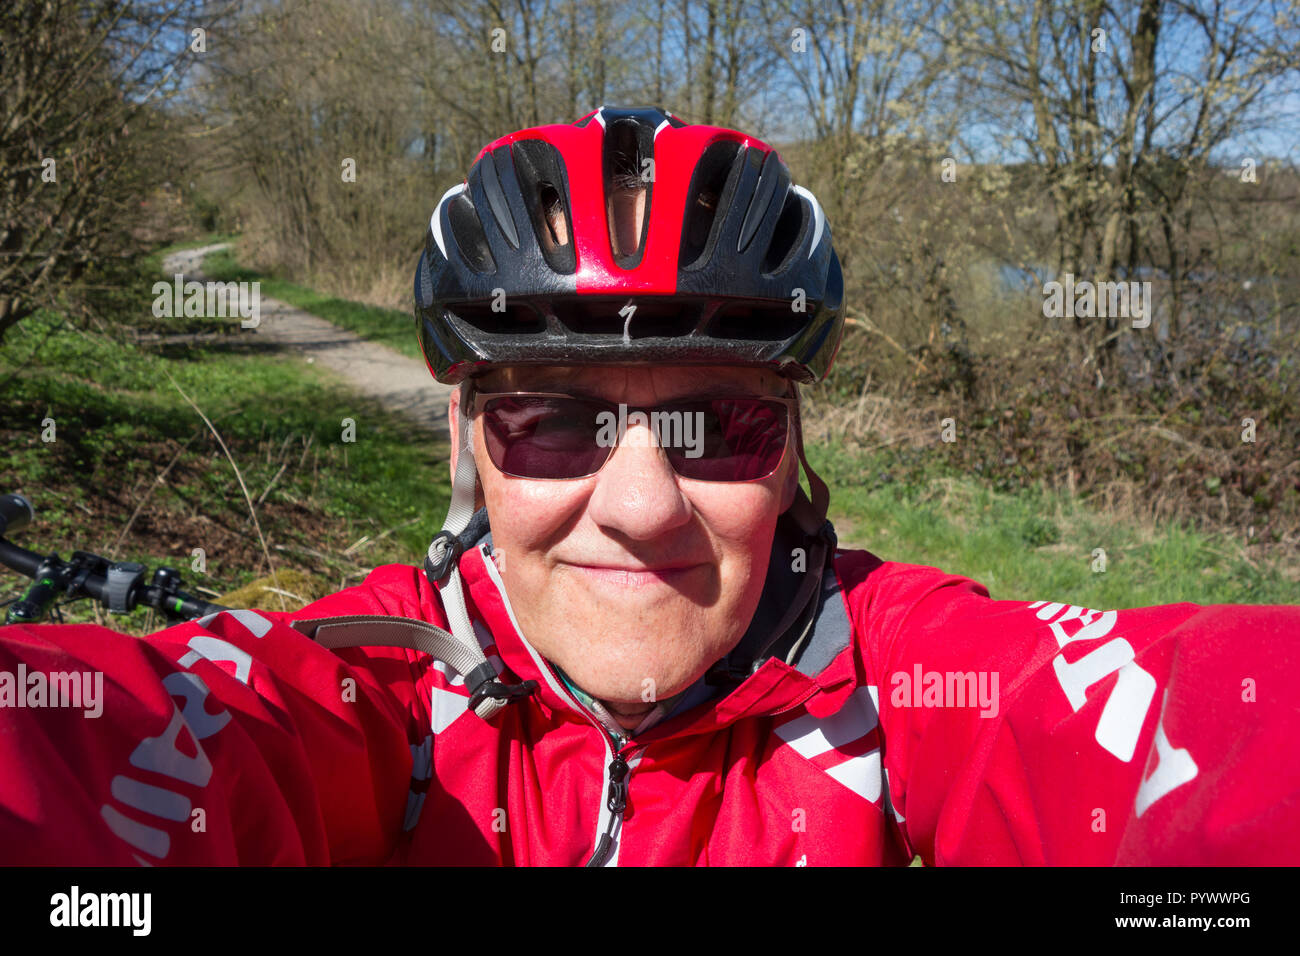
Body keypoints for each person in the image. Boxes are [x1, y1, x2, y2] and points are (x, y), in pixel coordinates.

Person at [1, 107, 1297, 866]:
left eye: (715, 425)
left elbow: (1210, 731)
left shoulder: (902, 686)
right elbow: (100, 746)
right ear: (467, 439)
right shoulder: (371, 694)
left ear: (789, 447)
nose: (640, 505)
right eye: (554, 421)